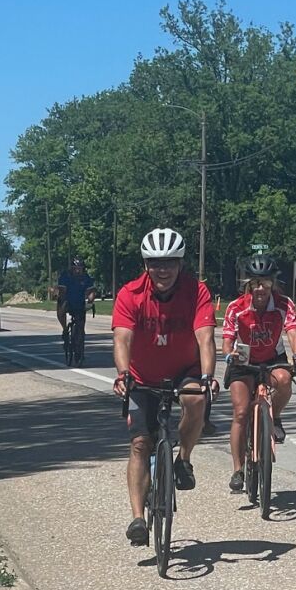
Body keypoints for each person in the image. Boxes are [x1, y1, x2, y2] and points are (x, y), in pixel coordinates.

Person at [112, 227, 218, 546]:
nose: (163, 269)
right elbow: (122, 338)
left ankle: (183, 459)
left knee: (196, 398)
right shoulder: (130, 294)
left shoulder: (196, 292)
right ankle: (137, 519)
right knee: (140, 444)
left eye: (170, 262)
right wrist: (122, 373)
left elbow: (206, 337)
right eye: (156, 262)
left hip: (184, 370)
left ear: (180, 263)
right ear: (146, 264)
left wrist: (208, 375)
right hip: (141, 377)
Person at [221, 254, 296, 493]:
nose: (260, 289)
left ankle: (275, 417)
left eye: (265, 283)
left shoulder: (283, 304)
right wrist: (230, 356)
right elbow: (227, 340)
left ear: (272, 284)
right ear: (248, 284)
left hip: (271, 358)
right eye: (255, 283)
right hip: (243, 361)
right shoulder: (236, 307)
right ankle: (237, 469)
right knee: (240, 412)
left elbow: (292, 331)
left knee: (285, 379)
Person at [55, 256, 96, 339]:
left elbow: (91, 291)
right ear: (72, 268)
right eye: (75, 268)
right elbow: (62, 290)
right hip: (67, 301)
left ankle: (80, 337)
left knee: (81, 323)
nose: (77, 270)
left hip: (80, 303)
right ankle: (65, 329)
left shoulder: (86, 277)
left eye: (79, 268)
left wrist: (90, 301)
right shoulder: (65, 276)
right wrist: (62, 300)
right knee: (60, 308)